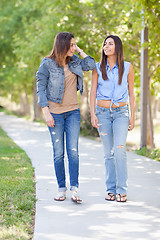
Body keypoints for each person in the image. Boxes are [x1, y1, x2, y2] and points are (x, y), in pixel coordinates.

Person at [36, 32, 95, 203]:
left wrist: (80, 50)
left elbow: (91, 65)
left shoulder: (75, 60)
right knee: (58, 153)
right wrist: (46, 112)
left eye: (75, 44)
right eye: (71, 45)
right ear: (62, 45)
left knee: (73, 152)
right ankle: (61, 189)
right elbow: (40, 87)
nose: (73, 48)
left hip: (73, 113)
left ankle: (74, 189)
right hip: (54, 114)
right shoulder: (47, 64)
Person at [90, 35, 135, 202]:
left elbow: (131, 92)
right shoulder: (97, 68)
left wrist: (133, 115)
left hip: (121, 113)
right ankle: (111, 190)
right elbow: (92, 92)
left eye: (110, 43)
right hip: (102, 113)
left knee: (119, 149)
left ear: (118, 47)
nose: (106, 46)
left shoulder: (128, 67)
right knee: (108, 153)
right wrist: (93, 113)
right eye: (104, 44)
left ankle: (122, 189)